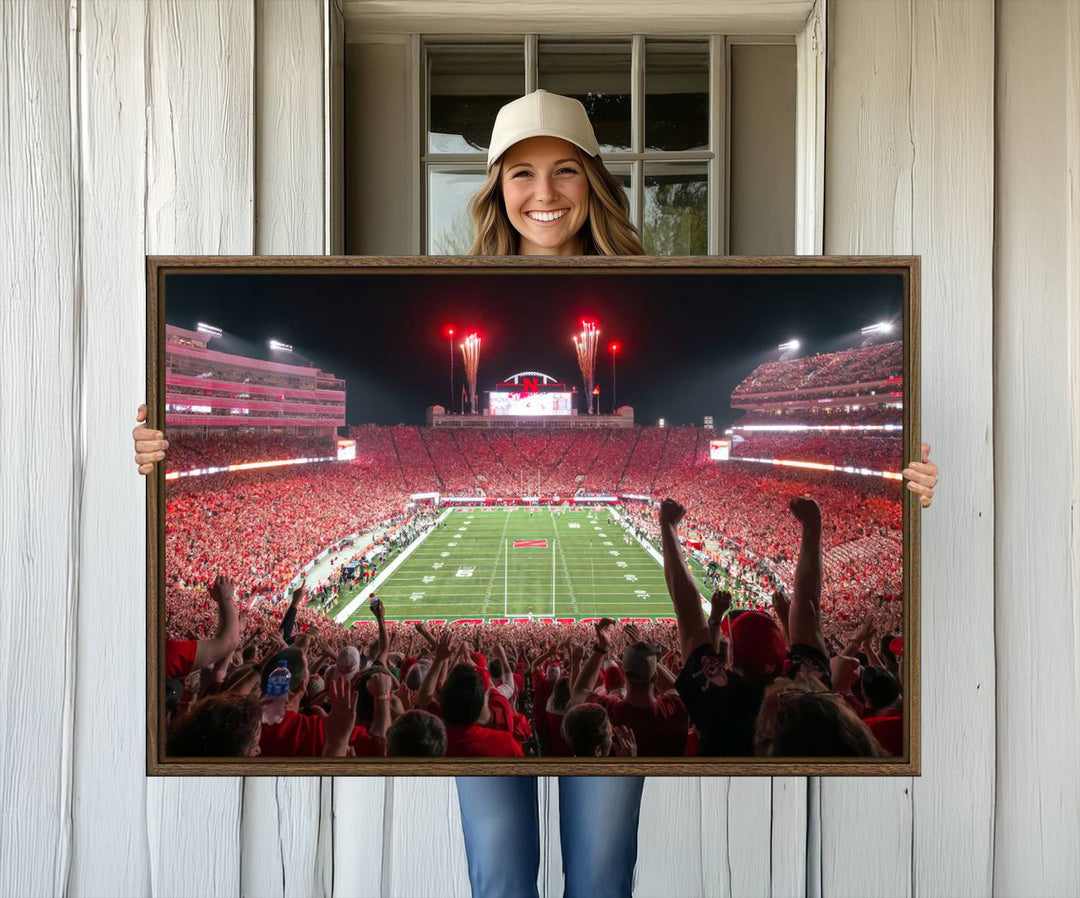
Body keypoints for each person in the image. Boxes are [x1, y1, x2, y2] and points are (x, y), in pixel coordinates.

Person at [132, 89, 940, 897]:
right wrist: (157, 447)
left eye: (564, 172)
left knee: (598, 872)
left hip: (561, 726)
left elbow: (699, 620)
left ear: (595, 180)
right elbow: (748, 616)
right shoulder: (449, 274)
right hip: (551, 719)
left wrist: (912, 477)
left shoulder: (656, 273)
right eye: (520, 173)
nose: (544, 193)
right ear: (495, 187)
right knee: (500, 874)